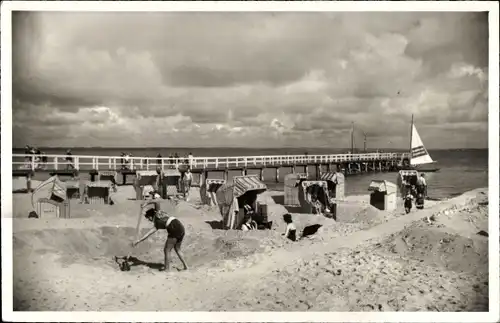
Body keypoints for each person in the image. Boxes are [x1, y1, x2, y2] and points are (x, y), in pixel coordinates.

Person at [132, 191, 188, 272]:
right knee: (177, 248)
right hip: (179, 226)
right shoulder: (157, 225)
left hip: (174, 227)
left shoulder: (157, 213)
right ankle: (186, 267)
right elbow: (148, 234)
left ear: (151, 216)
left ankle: (167, 269)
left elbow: (157, 201)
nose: (149, 220)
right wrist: (138, 241)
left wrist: (146, 203)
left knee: (167, 250)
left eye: (148, 218)